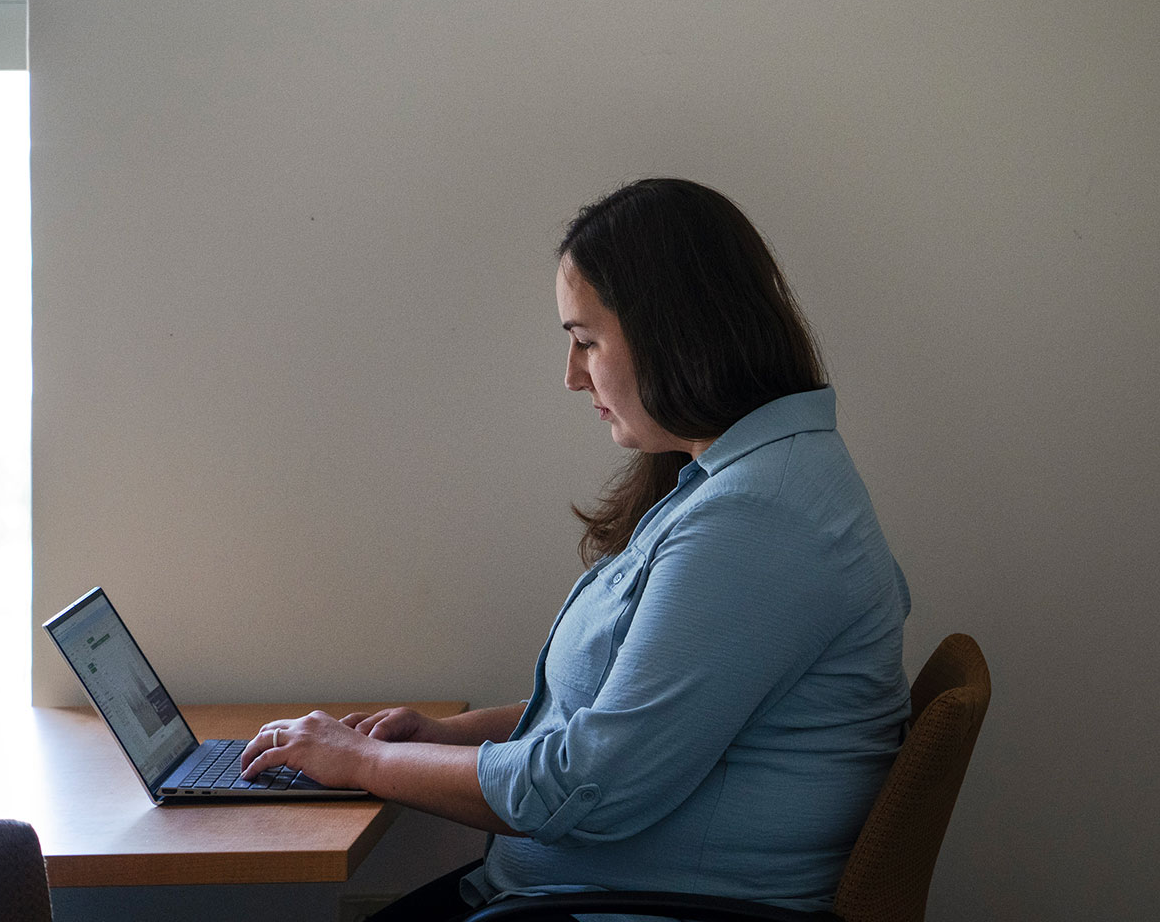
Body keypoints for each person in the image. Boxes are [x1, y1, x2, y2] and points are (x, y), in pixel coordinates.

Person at [235, 179, 912, 919]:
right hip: (565, 898)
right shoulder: (743, 484)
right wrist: (448, 736)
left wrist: (365, 761)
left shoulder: (754, 520)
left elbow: (587, 791)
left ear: (674, 332)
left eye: (586, 341)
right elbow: (625, 715)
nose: (571, 375)